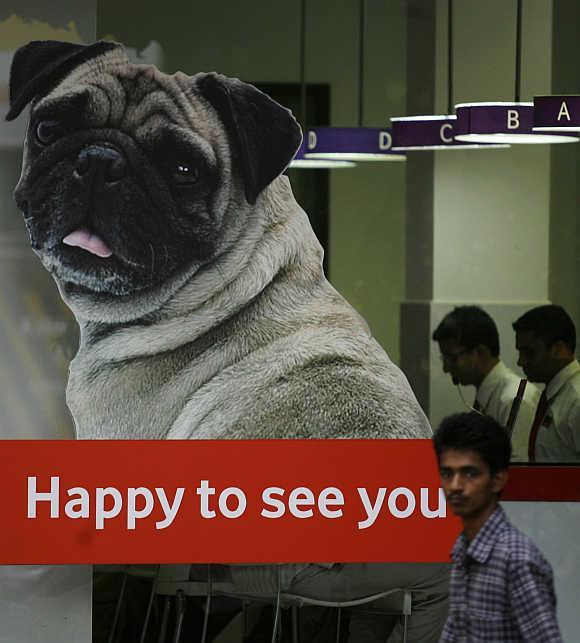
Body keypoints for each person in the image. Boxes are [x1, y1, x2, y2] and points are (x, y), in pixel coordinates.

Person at [433, 412, 563, 642]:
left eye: (470, 474)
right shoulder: (463, 551)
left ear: (498, 479)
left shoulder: (517, 560)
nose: (455, 486)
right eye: (447, 473)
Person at [432, 306, 540, 460]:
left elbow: (520, 472)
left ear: (480, 352)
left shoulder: (516, 400)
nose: (445, 368)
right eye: (444, 359)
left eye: (452, 358)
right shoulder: (489, 398)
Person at [513, 305, 580, 462]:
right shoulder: (557, 395)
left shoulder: (576, 400)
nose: (520, 361)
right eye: (520, 352)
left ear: (559, 349)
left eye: (529, 352)